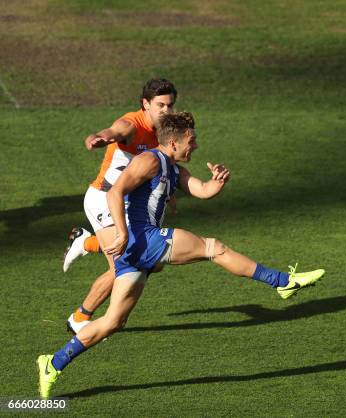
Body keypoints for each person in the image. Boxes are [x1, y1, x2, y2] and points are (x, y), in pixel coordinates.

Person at [37, 112, 325, 399]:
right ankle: (281, 281)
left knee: (113, 322)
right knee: (214, 247)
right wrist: (122, 233)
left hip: (137, 251)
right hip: (142, 239)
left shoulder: (173, 169)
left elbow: (202, 190)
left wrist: (218, 182)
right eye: (191, 141)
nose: (196, 147)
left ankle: (53, 363)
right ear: (173, 142)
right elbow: (115, 193)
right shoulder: (149, 160)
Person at [62, 78, 177, 335]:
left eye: (170, 105)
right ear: (145, 104)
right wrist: (99, 138)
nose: (166, 111)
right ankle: (79, 319)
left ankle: (87, 242)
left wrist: (168, 192)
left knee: (154, 262)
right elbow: (113, 132)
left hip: (127, 203)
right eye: (160, 105)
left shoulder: (165, 131)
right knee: (123, 267)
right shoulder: (131, 125)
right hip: (103, 198)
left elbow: (160, 164)